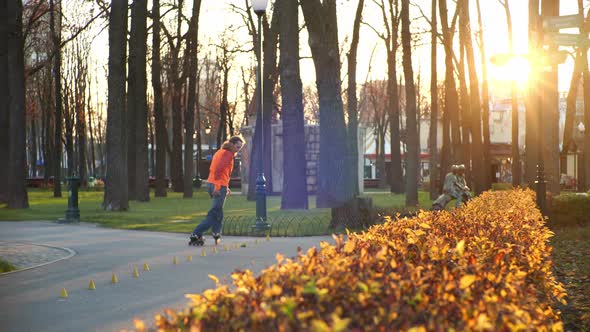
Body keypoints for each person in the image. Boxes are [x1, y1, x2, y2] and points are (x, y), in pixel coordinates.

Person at [189, 135, 244, 246]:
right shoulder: (227, 154)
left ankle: (216, 232)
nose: (238, 150)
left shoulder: (220, 152)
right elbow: (218, 170)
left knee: (218, 211)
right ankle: (196, 233)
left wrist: (225, 186)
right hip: (217, 186)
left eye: (240, 148)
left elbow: (217, 170)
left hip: (212, 183)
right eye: (238, 147)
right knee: (214, 213)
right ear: (232, 144)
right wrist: (218, 187)